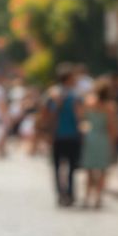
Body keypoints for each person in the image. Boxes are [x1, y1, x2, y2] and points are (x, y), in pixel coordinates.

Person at [41, 63, 84, 207]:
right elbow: (79, 116)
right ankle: (70, 194)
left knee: (57, 167)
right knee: (71, 167)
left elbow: (45, 115)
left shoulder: (52, 95)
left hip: (56, 135)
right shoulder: (75, 95)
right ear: (69, 79)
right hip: (72, 135)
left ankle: (60, 194)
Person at [79, 76, 118, 209]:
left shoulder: (89, 102)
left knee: (89, 170)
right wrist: (113, 144)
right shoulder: (110, 107)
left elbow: (83, 120)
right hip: (103, 138)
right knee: (102, 170)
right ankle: (98, 198)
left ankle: (86, 196)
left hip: (91, 137)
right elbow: (112, 127)